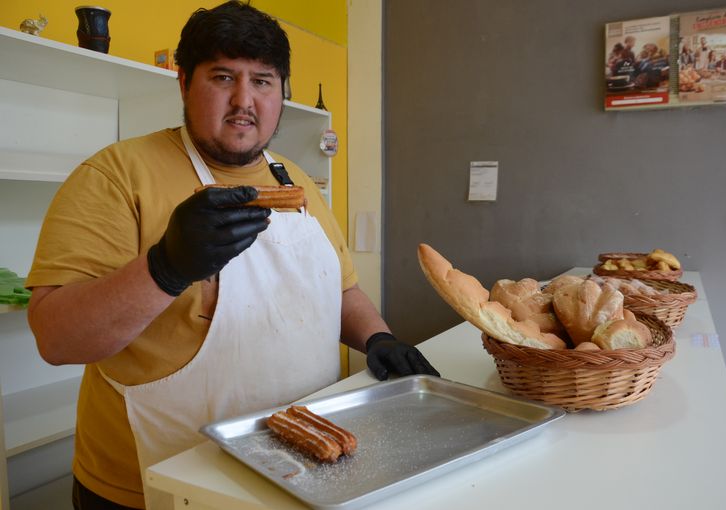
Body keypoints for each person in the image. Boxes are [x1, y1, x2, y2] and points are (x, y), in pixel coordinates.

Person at [24, 2, 439, 509]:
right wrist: (164, 268)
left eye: (262, 81)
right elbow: (57, 339)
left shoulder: (297, 180)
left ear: (281, 92)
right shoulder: (116, 175)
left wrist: (377, 337)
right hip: (152, 484)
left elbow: (341, 290)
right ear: (184, 83)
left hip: (294, 467)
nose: (244, 100)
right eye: (223, 77)